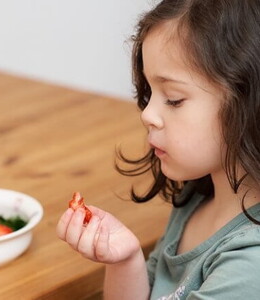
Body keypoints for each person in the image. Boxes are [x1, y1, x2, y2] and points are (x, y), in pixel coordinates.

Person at [57, 0, 260, 299]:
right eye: (150, 93)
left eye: (174, 99)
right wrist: (126, 261)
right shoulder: (196, 200)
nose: (147, 114)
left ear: (250, 106)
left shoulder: (249, 266)